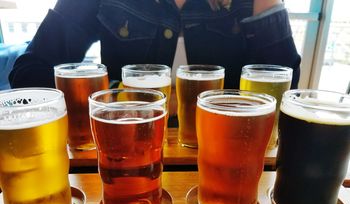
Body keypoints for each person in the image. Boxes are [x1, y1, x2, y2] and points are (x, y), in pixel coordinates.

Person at [9, 0, 301, 91]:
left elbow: (282, 90)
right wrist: (117, 97)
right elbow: (30, 73)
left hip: (226, 162)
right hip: (124, 160)